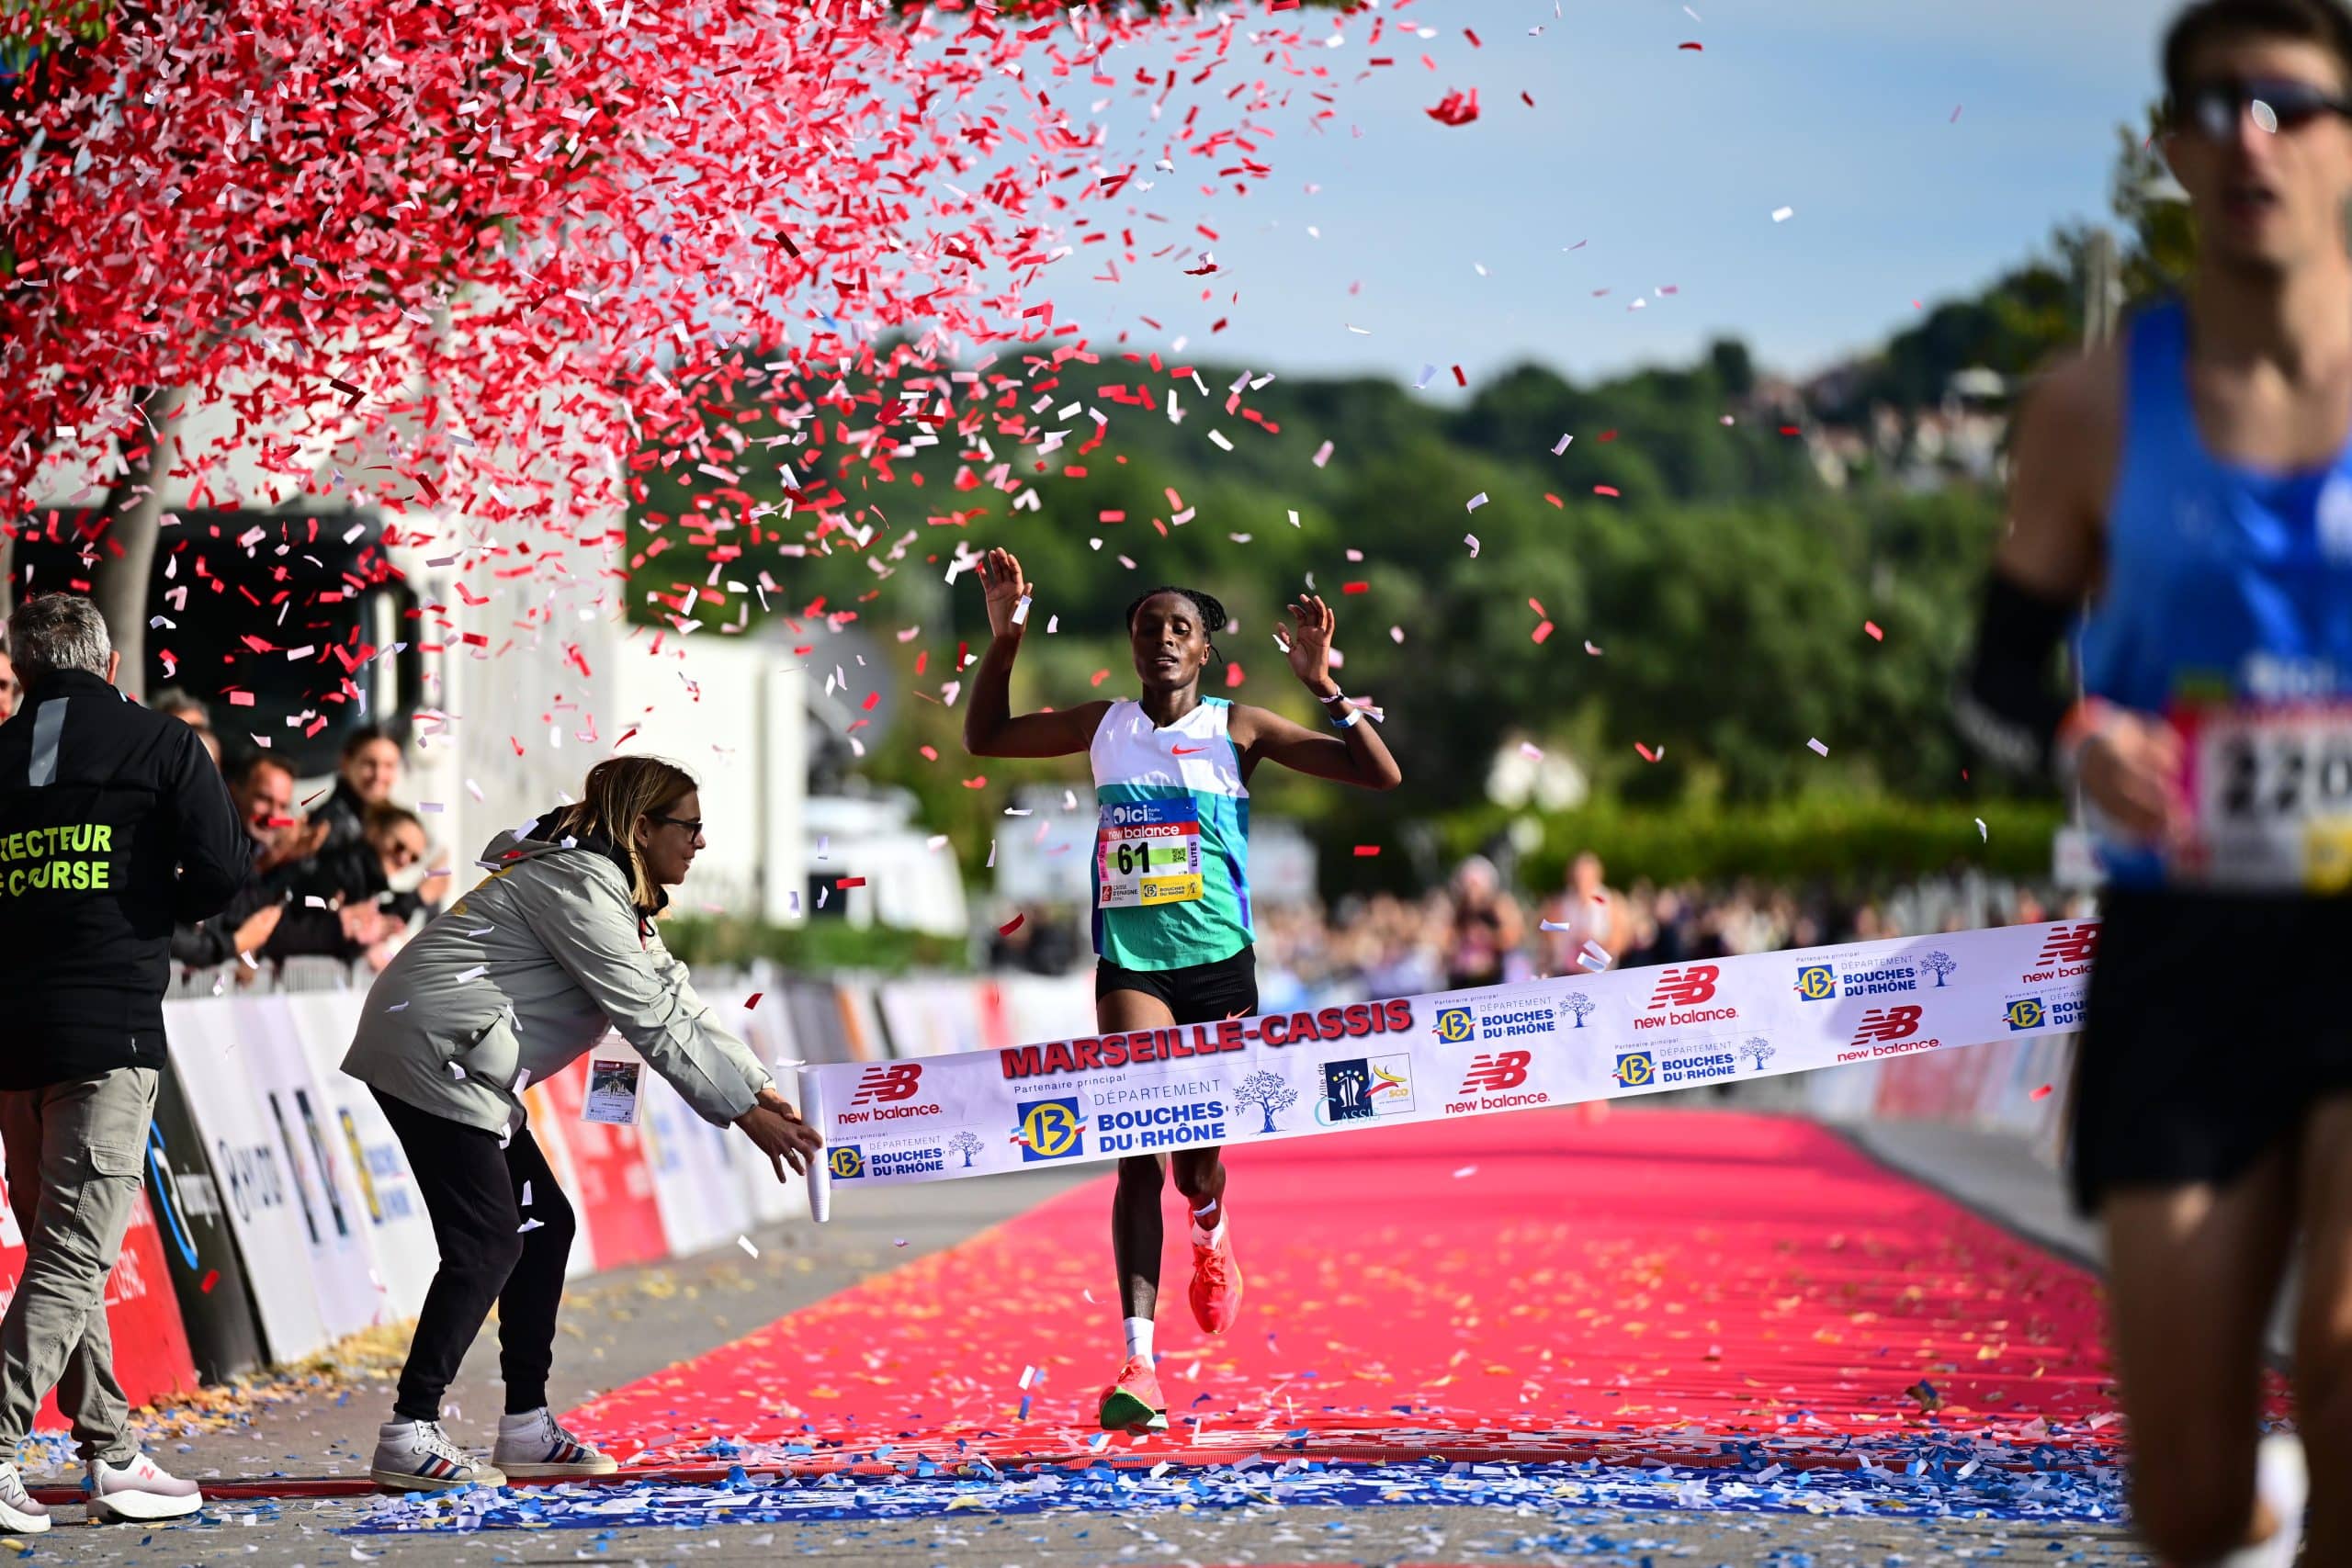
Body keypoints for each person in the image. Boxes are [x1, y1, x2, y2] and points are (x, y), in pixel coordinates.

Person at [1953, 2, 2352, 1559]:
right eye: (2219, 105)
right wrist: (2080, 739)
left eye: (2292, 105)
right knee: (2184, 1496)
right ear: (2173, 150)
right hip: (2186, 953)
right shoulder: (2092, 407)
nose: (2254, 136)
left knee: (2348, 1357)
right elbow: (1997, 681)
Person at [962, 547, 1401, 1435]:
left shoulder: (1241, 728)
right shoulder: (1104, 726)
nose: (1162, 638)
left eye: (1180, 628)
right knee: (1137, 1147)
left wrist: (1324, 685)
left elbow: (1378, 774)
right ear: (1132, 645)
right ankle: (1139, 1360)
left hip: (1219, 967)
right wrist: (1004, 637)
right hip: (1133, 964)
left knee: (1196, 1163)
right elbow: (987, 737)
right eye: (1147, 627)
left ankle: (1210, 1222)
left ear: (1205, 649)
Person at [340, 754, 824, 1491]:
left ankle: (525, 1425)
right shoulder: (583, 884)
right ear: (642, 827)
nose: (700, 841)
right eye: (690, 825)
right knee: (487, 1242)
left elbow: (676, 997)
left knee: (545, 1226)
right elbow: (649, 1016)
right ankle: (409, 1429)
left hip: (464, 1058)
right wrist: (742, 1113)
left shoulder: (611, 888)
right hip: (434, 1049)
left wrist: (758, 1089)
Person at [0, 592, 246, 1529]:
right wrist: (144, 899)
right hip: (108, 1033)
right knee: (73, 1255)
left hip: (13, 1039)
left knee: (61, 1249)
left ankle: (110, 1452)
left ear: (21, 670)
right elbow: (223, 871)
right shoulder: (163, 743)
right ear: (109, 665)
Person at [1442, 854, 1524, 992]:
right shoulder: (1459, 910)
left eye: (1475, 885)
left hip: (1495, 979)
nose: (1471, 891)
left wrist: (1486, 936)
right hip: (1464, 979)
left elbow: (1513, 938)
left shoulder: (1499, 906)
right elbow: (1446, 943)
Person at [1537, 851, 1618, 976]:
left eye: (1586, 877)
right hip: (1568, 970)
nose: (1581, 881)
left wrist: (1591, 942)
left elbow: (1617, 941)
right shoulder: (1562, 903)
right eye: (1579, 876)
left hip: (1599, 970)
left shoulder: (1609, 902)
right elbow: (1548, 935)